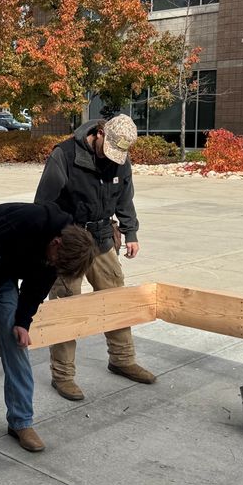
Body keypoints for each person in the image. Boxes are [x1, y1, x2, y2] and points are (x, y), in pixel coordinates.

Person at [0, 201, 96, 451]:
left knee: (16, 342)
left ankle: (21, 421)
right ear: (56, 243)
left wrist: (23, 322)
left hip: (3, 270)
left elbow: (37, 287)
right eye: (54, 261)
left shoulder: (62, 252)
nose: (54, 266)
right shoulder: (27, 223)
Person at [34, 114, 156, 402]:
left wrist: (131, 232)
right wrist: (49, 243)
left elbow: (125, 197)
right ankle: (63, 375)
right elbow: (43, 203)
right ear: (99, 133)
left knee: (115, 300)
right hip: (69, 240)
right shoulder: (64, 155)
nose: (112, 158)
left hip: (102, 237)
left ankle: (122, 359)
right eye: (108, 149)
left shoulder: (120, 157)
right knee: (66, 306)